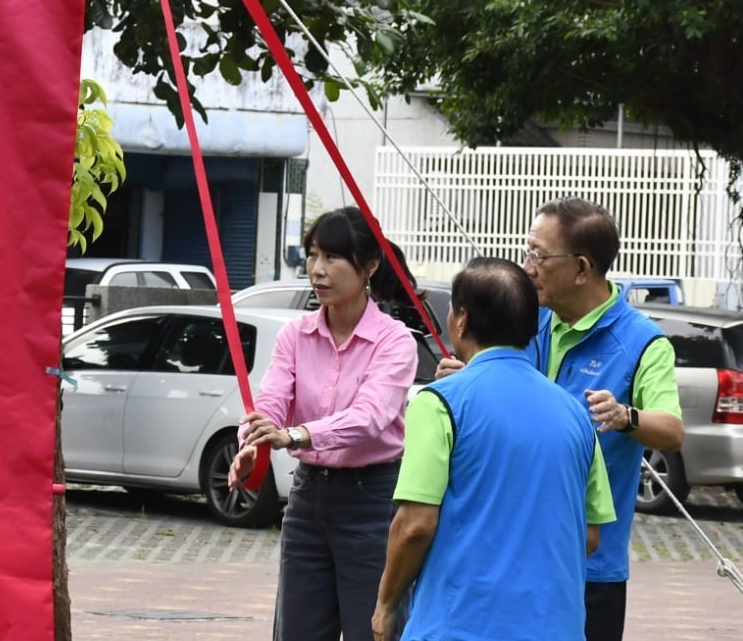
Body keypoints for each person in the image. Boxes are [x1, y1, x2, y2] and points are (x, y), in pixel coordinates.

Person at [371, 258, 615, 641]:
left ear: (462, 319)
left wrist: (386, 604)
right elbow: (590, 535)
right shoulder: (576, 414)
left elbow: (415, 525)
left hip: (459, 626)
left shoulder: (440, 403)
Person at [229, 206, 420, 641]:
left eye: (333, 257)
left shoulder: (394, 341)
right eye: (313, 255)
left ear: (370, 265)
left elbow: (370, 417)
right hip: (308, 497)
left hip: (372, 500)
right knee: (297, 631)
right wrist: (252, 442)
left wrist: (296, 435)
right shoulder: (294, 335)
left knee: (373, 630)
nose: (317, 269)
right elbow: (270, 404)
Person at [523, 198, 683, 641]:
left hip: (590, 566)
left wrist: (625, 415)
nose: (528, 267)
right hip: (515, 553)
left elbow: (671, 431)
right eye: (527, 251)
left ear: (581, 268)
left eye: (539, 255)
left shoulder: (642, 342)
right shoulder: (526, 321)